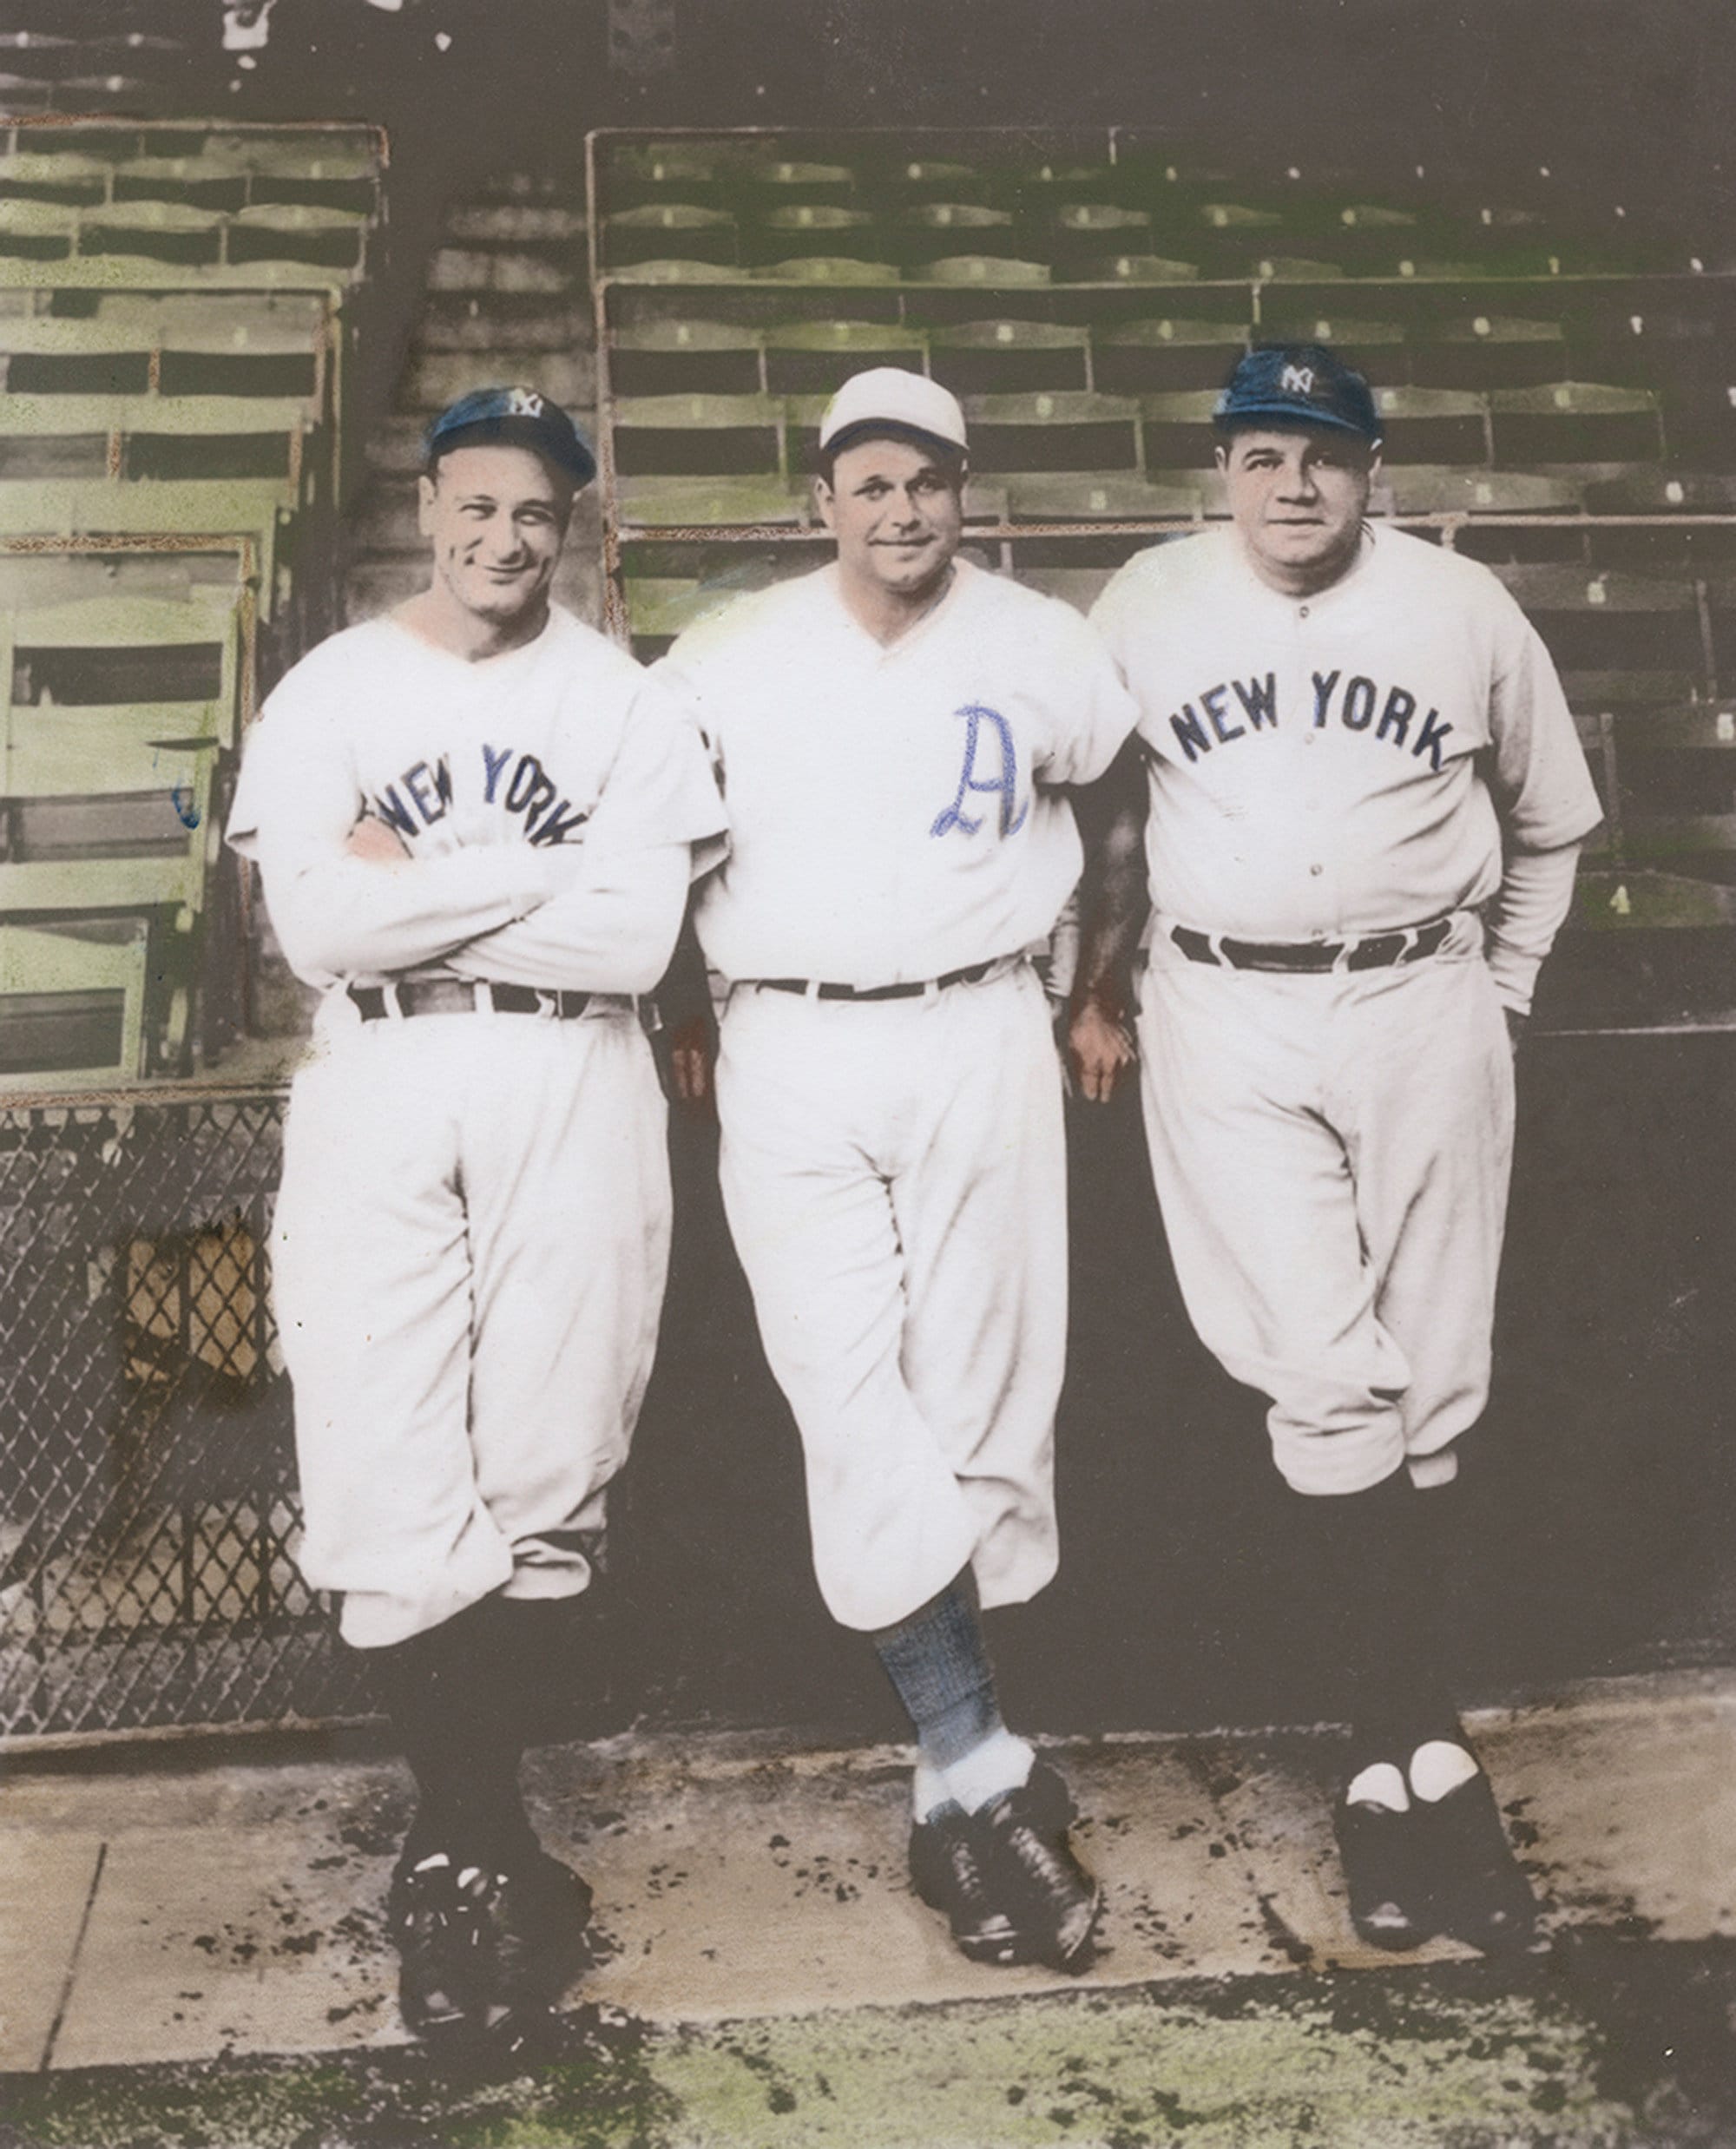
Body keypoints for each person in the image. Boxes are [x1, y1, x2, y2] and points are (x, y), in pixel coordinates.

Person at [1070, 344, 1603, 1955]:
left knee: (1432, 1382)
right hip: (1224, 1010)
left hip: (1425, 998)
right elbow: (1092, 821)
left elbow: (1555, 820)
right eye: (1261, 450)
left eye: (1324, 453)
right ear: (1218, 467)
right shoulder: (1145, 603)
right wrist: (1093, 987)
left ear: (1376, 470)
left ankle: (1385, 1773)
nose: (1291, 482)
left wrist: (1497, 992)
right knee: (1324, 1371)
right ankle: (1423, 1744)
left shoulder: (1461, 606)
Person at [226, 384, 726, 2049]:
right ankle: (473, 1851)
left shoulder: (622, 699)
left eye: (538, 514)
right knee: (383, 1462)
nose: (504, 539)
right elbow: (314, 928)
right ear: (431, 502)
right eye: (478, 504)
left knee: (545, 1466)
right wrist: (536, 873)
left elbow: (635, 943)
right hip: (377, 1079)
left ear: (570, 525)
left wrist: (418, 885)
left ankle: (471, 1851)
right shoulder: (332, 687)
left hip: (570, 1078)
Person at [661, 368, 1139, 1972]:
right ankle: (997, 1772)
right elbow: (651, 841)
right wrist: (682, 1016)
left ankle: (954, 1809)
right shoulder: (730, 652)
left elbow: (1123, 800)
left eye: (928, 479)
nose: (902, 509)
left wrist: (1099, 985)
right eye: (869, 484)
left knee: (989, 1414)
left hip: (983, 1031)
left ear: (965, 489)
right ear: (823, 503)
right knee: (851, 1398)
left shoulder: (1041, 642)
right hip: (791, 1040)